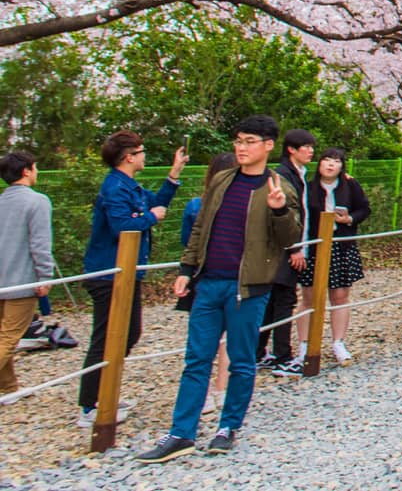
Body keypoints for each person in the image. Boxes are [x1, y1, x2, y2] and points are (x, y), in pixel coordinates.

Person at [137, 114, 302, 463]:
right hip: (209, 282)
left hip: (249, 286)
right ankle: (181, 432)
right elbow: (201, 227)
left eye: (249, 141)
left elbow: (290, 238)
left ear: (268, 146)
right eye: (238, 141)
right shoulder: (223, 180)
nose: (241, 148)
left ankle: (228, 426)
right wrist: (186, 268)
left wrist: (277, 211)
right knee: (196, 359)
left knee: (242, 361)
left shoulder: (279, 188)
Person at [78, 130, 187, 428]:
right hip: (108, 271)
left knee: (128, 332)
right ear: (129, 156)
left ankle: (106, 390)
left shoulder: (129, 185)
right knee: (106, 336)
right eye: (141, 152)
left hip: (129, 271)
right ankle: (90, 405)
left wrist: (174, 173)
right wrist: (152, 217)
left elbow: (156, 200)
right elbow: (122, 226)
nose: (144, 156)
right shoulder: (114, 187)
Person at [293, 148, 369, 365]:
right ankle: (304, 345)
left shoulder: (350, 185)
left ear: (342, 166)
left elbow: (364, 209)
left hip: (341, 245)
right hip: (314, 246)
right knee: (308, 297)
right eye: (326, 160)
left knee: (340, 296)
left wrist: (350, 219)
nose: (330, 165)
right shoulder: (308, 187)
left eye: (336, 161)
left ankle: (338, 342)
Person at [181, 153, 236, 415]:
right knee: (226, 337)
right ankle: (221, 390)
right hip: (229, 275)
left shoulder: (195, 205)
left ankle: (203, 395)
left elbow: (187, 243)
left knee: (202, 341)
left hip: (202, 277)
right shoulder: (238, 204)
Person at [0, 151, 53, 405]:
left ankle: (9, 388)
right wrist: (45, 276)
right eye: (35, 167)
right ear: (26, 171)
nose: (37, 172)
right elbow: (40, 244)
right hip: (22, 281)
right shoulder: (38, 201)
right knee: (9, 337)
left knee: (4, 336)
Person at [259, 128, 313, 377]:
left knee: (274, 301)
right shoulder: (283, 175)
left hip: (286, 245)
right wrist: (295, 248)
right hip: (285, 247)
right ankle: (282, 356)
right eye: (306, 146)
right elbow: (288, 214)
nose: (311, 151)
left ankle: (259, 352)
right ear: (291, 149)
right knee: (283, 300)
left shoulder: (297, 174)